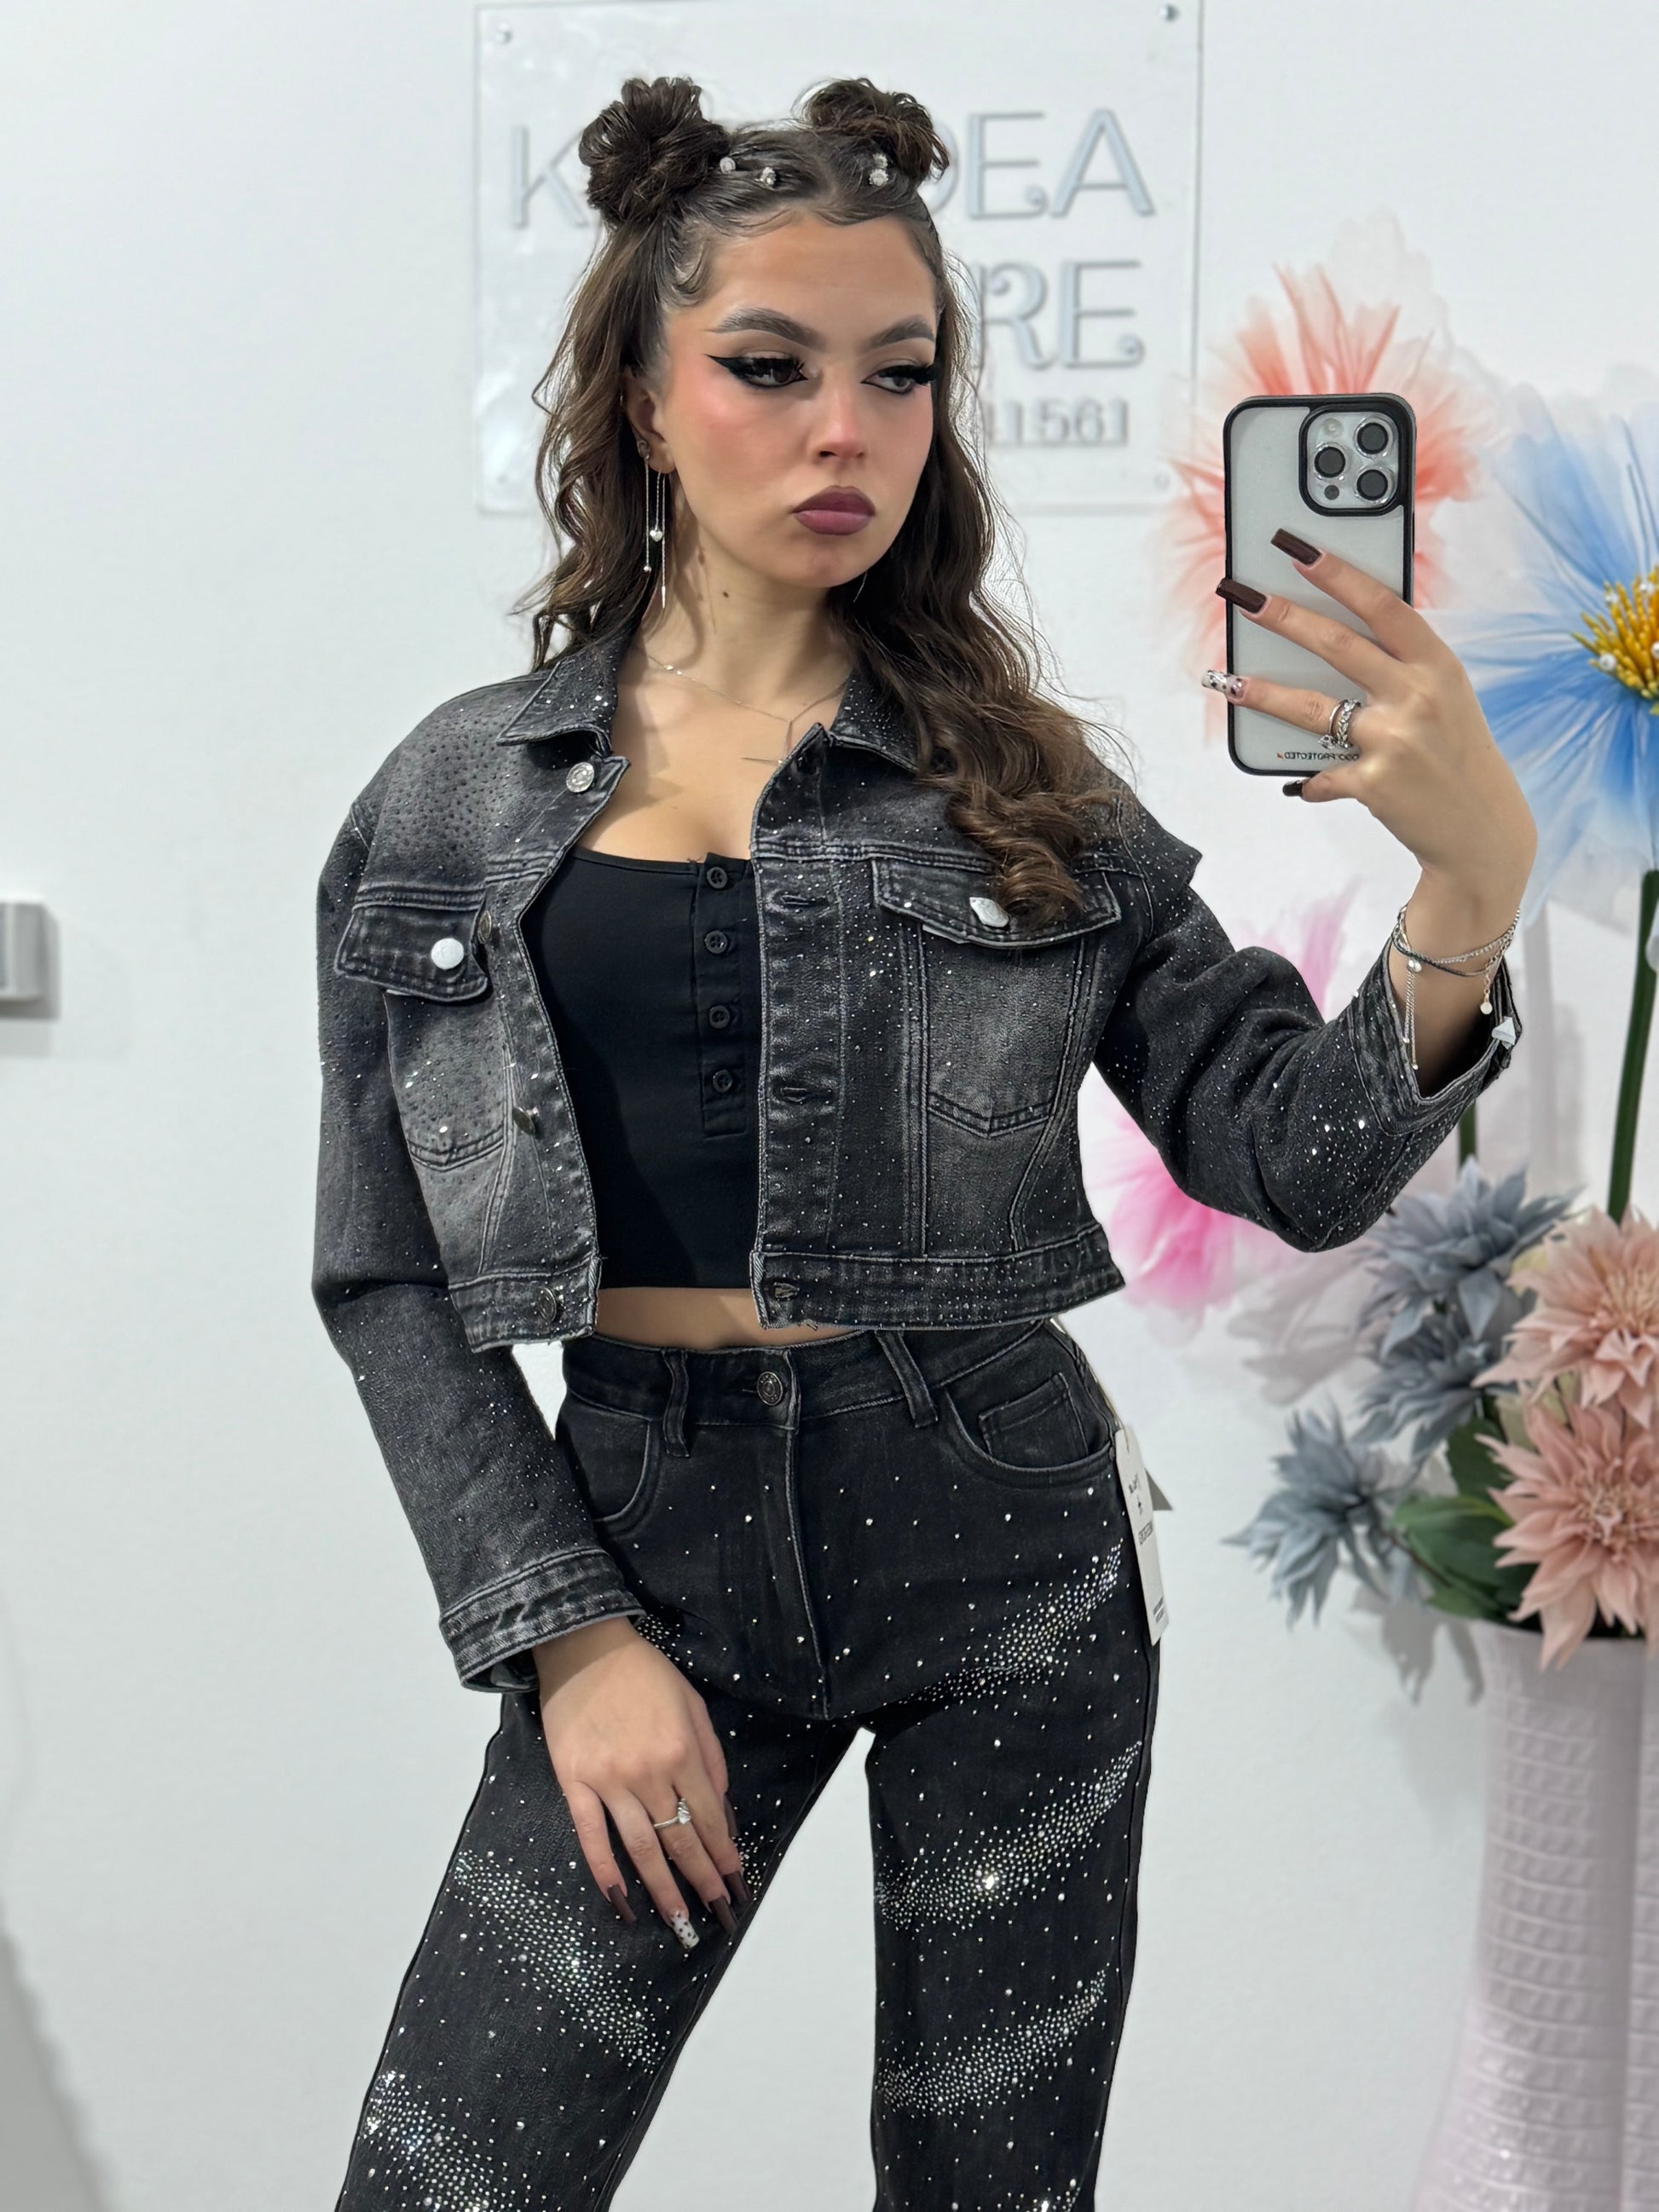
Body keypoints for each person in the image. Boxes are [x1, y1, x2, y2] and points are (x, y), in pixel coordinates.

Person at [314, 72, 1532, 2212]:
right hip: (645, 1540)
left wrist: (1470, 887)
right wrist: (568, 1635)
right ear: (640, 392)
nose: (844, 431)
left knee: (988, 2187)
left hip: (1004, 1541)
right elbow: (388, 1269)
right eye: (769, 366)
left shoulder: (1023, 786)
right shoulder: (449, 799)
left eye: (898, 373)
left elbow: (1286, 1148)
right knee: (449, 2178)